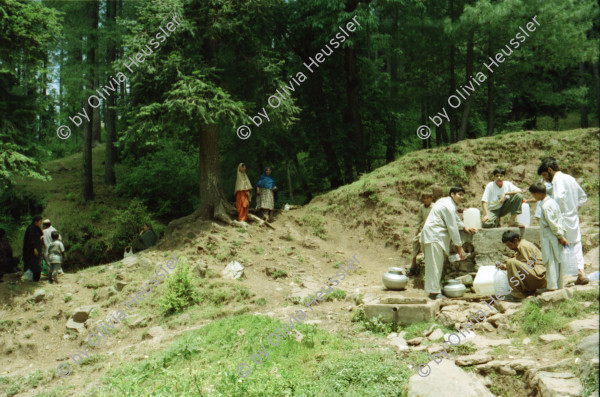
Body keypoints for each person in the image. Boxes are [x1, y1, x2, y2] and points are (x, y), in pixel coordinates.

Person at [538, 158, 589, 285]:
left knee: (560, 246)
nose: (545, 178)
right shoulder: (570, 178)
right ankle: (581, 273)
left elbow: (559, 197)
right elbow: (583, 197)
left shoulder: (557, 180)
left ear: (550, 170)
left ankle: (562, 278)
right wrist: (574, 210)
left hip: (562, 218)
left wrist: (557, 215)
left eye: (545, 175)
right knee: (576, 244)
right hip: (573, 217)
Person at [421, 186, 477, 299]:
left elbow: (454, 218)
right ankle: (434, 293)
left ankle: (435, 290)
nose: (461, 197)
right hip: (434, 235)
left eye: (462, 195)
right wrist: (459, 248)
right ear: (452, 194)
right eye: (459, 194)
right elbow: (452, 227)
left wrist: (464, 227)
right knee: (434, 265)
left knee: (436, 263)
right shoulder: (448, 206)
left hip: (434, 235)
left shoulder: (445, 202)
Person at [529, 183, 568, 291]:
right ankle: (558, 285)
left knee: (550, 260)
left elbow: (552, 224)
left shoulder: (546, 206)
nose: (534, 197)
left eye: (533, 195)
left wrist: (560, 236)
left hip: (550, 237)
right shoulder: (552, 202)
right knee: (557, 260)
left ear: (537, 194)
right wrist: (561, 233)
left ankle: (552, 286)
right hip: (555, 235)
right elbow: (560, 219)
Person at [498, 230, 546, 300]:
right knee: (510, 263)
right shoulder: (520, 247)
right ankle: (525, 291)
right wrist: (506, 267)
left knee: (510, 262)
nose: (509, 248)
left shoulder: (524, 246)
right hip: (535, 274)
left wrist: (509, 265)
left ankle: (517, 293)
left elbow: (528, 265)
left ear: (515, 240)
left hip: (539, 277)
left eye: (509, 245)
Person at [408, 191, 434, 277]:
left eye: (428, 198)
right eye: (424, 198)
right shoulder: (422, 207)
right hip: (423, 229)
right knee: (415, 241)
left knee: (424, 241)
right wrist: (417, 228)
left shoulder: (434, 207)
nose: (426, 200)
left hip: (432, 230)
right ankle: (413, 263)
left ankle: (425, 259)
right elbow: (419, 218)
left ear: (431, 198)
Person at [23, 215, 44, 282]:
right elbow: (31, 240)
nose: (41, 223)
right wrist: (34, 248)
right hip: (31, 250)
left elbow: (41, 234)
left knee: (37, 264)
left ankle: (36, 278)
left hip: (37, 249)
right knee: (33, 264)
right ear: (36, 222)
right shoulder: (31, 229)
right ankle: (34, 278)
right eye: (40, 221)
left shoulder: (36, 228)